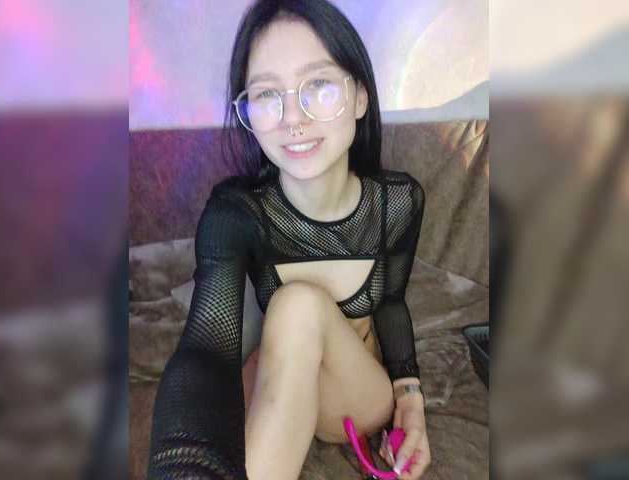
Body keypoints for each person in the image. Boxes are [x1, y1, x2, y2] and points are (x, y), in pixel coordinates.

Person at [146, 1, 429, 479]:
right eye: (267, 94)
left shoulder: (398, 203)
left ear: (360, 97)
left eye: (318, 85)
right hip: (278, 372)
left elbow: (391, 303)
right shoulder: (236, 212)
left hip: (354, 396)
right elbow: (207, 349)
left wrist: (411, 400)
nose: (292, 118)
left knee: (298, 304)